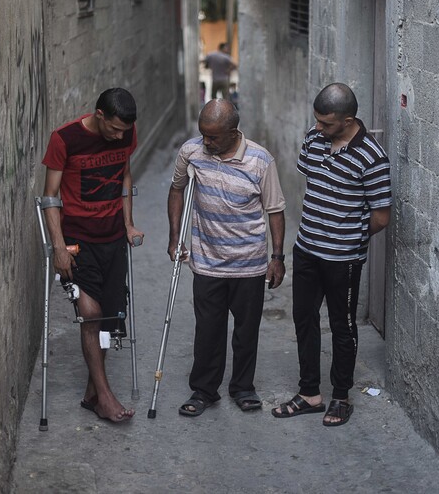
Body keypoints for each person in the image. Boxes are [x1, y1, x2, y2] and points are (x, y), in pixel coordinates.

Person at [272, 83, 392, 427]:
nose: (318, 129)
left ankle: (341, 396)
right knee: (304, 320)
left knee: (343, 325)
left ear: (348, 120)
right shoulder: (315, 137)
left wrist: (346, 232)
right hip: (307, 248)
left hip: (343, 259)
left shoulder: (372, 157)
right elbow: (309, 172)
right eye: (317, 122)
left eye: (326, 124)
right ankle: (309, 393)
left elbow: (381, 217)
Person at [168, 99, 286, 416]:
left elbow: (275, 210)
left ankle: (243, 388)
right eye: (203, 135)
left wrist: (277, 256)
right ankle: (204, 390)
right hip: (207, 260)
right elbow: (177, 189)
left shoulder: (260, 160)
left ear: (233, 132)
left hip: (249, 261)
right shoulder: (191, 152)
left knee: (246, 331)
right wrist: (175, 236)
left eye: (213, 137)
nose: (206, 142)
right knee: (208, 329)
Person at [41, 88, 144, 423]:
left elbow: (125, 177)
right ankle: (106, 397)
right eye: (114, 129)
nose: (119, 136)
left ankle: (91, 392)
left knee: (109, 317)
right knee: (90, 313)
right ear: (99, 115)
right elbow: (50, 196)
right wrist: (58, 248)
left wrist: (129, 225)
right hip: (78, 240)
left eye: (124, 132)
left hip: (113, 238)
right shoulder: (65, 139)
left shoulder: (126, 134)